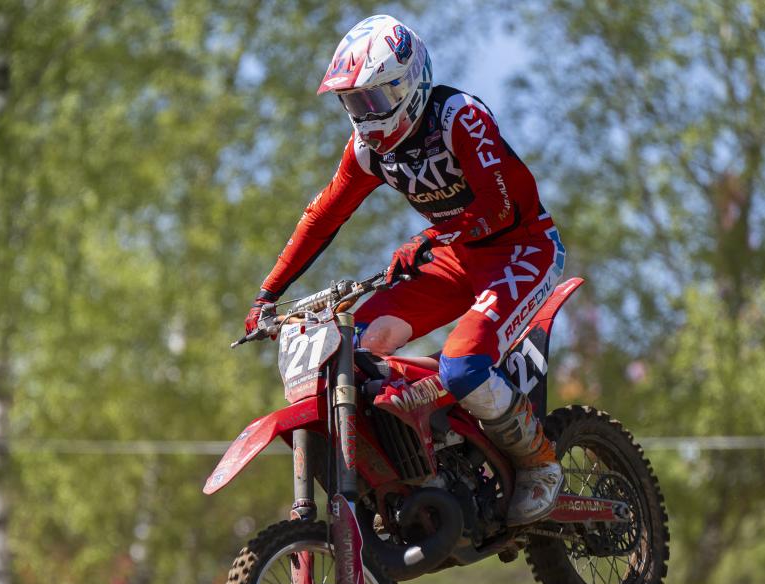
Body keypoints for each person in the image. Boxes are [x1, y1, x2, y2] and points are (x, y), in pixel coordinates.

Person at [243, 15, 567, 524]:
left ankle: (539, 460)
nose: (364, 116)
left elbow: (500, 208)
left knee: (463, 364)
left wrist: (430, 238)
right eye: (352, 103)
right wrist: (268, 293)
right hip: (455, 259)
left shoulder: (459, 119)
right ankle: (413, 466)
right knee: (351, 351)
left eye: (371, 100)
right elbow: (323, 216)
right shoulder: (368, 151)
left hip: (520, 250)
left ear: (407, 85)